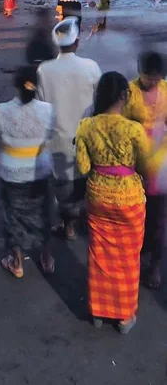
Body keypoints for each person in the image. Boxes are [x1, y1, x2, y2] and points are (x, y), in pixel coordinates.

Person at [75, 71, 149, 334]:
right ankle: (124, 317)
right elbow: (145, 166)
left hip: (98, 196)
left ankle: (98, 311)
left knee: (100, 254)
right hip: (129, 199)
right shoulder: (134, 130)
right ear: (123, 96)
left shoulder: (86, 126)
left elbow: (83, 167)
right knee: (128, 258)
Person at [37, 17, 102, 240]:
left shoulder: (44, 70)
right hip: (86, 138)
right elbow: (100, 103)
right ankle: (82, 221)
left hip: (57, 140)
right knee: (84, 180)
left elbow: (41, 106)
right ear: (77, 42)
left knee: (63, 185)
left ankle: (69, 226)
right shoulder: (91, 67)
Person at [0, 65, 56, 278]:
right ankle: (47, 258)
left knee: (13, 216)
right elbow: (50, 135)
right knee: (42, 213)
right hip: (39, 171)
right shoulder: (48, 109)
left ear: (17, 86)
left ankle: (17, 263)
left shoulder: (2, 109)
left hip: (12, 173)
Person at [122, 52, 167, 289]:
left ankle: (155, 265)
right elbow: (122, 126)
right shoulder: (130, 92)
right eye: (148, 77)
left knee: (158, 218)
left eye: (156, 77)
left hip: (161, 165)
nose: (152, 81)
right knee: (135, 216)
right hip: (135, 165)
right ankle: (136, 259)